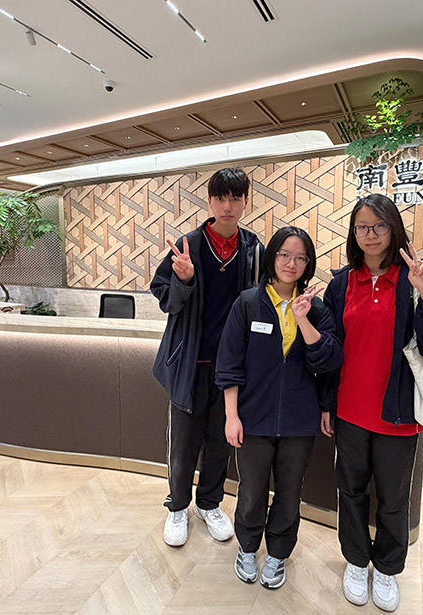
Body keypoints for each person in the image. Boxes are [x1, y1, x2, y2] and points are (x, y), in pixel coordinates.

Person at [320, 194, 423, 611]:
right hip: (349, 412)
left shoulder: (412, 281)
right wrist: (327, 403)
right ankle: (355, 560)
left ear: (393, 228)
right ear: (353, 233)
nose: (371, 235)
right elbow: (330, 351)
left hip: (397, 415)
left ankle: (386, 568)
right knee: (350, 490)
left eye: (379, 225)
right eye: (362, 227)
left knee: (394, 499)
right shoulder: (342, 284)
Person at [215, 226, 342, 589]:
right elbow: (229, 364)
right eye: (284, 254)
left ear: (308, 264)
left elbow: (329, 360)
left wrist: (302, 319)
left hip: (299, 421)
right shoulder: (247, 304)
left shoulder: (317, 308)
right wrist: (231, 415)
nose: (291, 263)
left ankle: (278, 553)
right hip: (253, 417)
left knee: (289, 492)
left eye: (300, 257)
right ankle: (247, 547)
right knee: (251, 489)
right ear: (271, 257)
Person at [151, 167, 265, 547]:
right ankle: (177, 506)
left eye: (235, 198)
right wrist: (183, 279)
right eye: (220, 198)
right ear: (210, 201)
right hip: (189, 362)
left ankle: (209, 503)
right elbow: (165, 298)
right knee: (183, 443)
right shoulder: (189, 245)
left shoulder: (254, 249)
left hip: (231, 368)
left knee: (221, 441)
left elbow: (265, 300)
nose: (227, 206)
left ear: (245, 202)